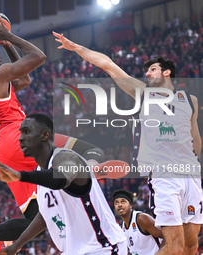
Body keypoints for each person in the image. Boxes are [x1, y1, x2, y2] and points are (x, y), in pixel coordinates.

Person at [0, 16, 104, 255]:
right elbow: (38, 57)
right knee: (82, 152)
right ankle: (92, 183)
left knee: (38, 220)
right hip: (17, 136)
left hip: (2, 149)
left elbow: (25, 79)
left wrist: (7, 46)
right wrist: (8, 37)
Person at [52, 31, 203, 255]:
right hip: (164, 175)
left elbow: (195, 138)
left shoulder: (190, 100)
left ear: (167, 72)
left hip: (190, 175)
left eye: (153, 69)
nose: (148, 74)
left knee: (192, 246)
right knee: (176, 248)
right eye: (147, 71)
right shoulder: (143, 93)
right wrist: (77, 48)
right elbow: (108, 65)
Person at [0, 113, 127, 255]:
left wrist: (21, 176)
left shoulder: (66, 157)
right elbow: (44, 215)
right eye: (20, 133)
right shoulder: (40, 171)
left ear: (45, 135)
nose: (20, 138)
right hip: (76, 250)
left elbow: (59, 180)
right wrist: (16, 246)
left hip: (104, 247)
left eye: (26, 132)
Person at [113, 189, 163, 255]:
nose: (119, 205)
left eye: (123, 202)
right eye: (116, 202)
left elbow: (167, 237)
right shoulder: (123, 226)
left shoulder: (141, 219)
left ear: (130, 205)